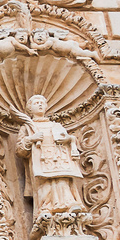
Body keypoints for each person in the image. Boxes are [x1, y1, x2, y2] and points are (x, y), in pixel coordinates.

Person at [16, 94, 86, 223]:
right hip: (40, 160)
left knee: (63, 180)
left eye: (42, 102)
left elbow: (70, 138)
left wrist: (69, 140)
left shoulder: (55, 125)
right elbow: (19, 149)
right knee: (45, 184)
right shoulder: (27, 127)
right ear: (30, 108)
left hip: (59, 158)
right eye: (36, 102)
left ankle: (70, 203)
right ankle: (45, 208)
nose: (40, 104)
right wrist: (32, 139)